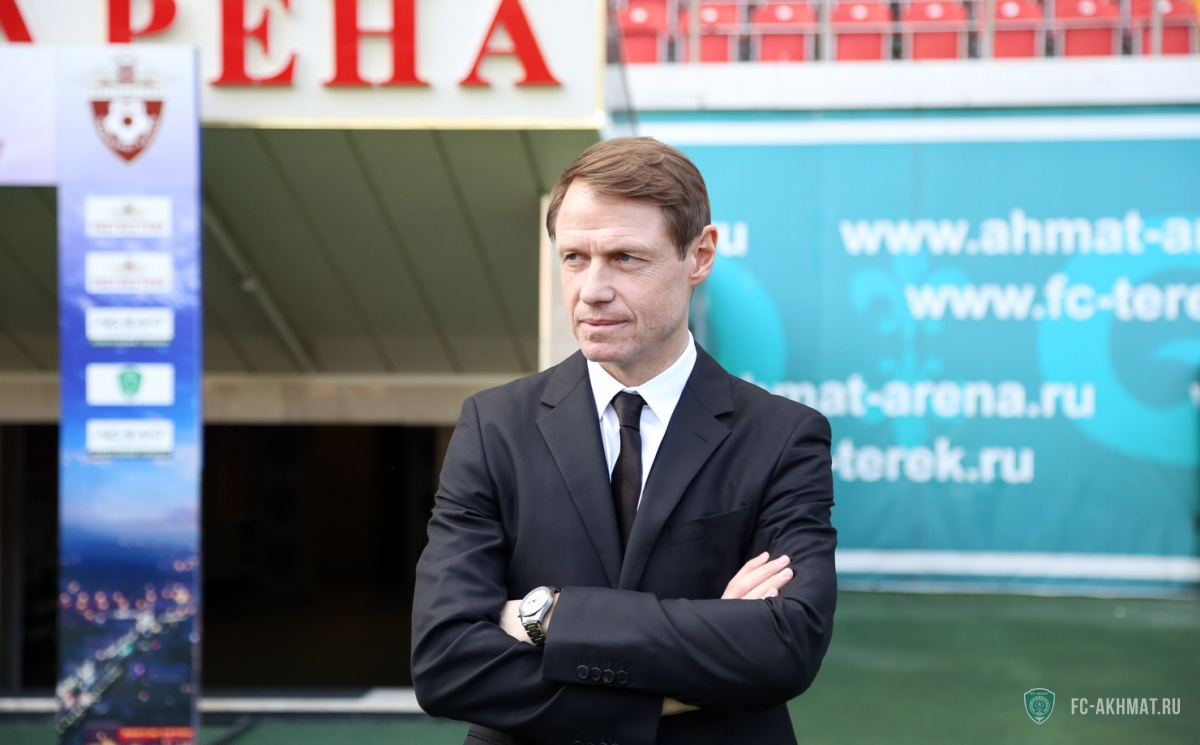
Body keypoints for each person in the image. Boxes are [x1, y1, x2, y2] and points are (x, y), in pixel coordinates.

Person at [411, 137, 836, 745]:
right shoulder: (493, 425)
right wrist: (685, 671)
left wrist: (548, 615)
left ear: (699, 255)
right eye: (574, 257)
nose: (592, 289)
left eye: (625, 258)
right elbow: (445, 662)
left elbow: (785, 647)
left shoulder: (783, 436)